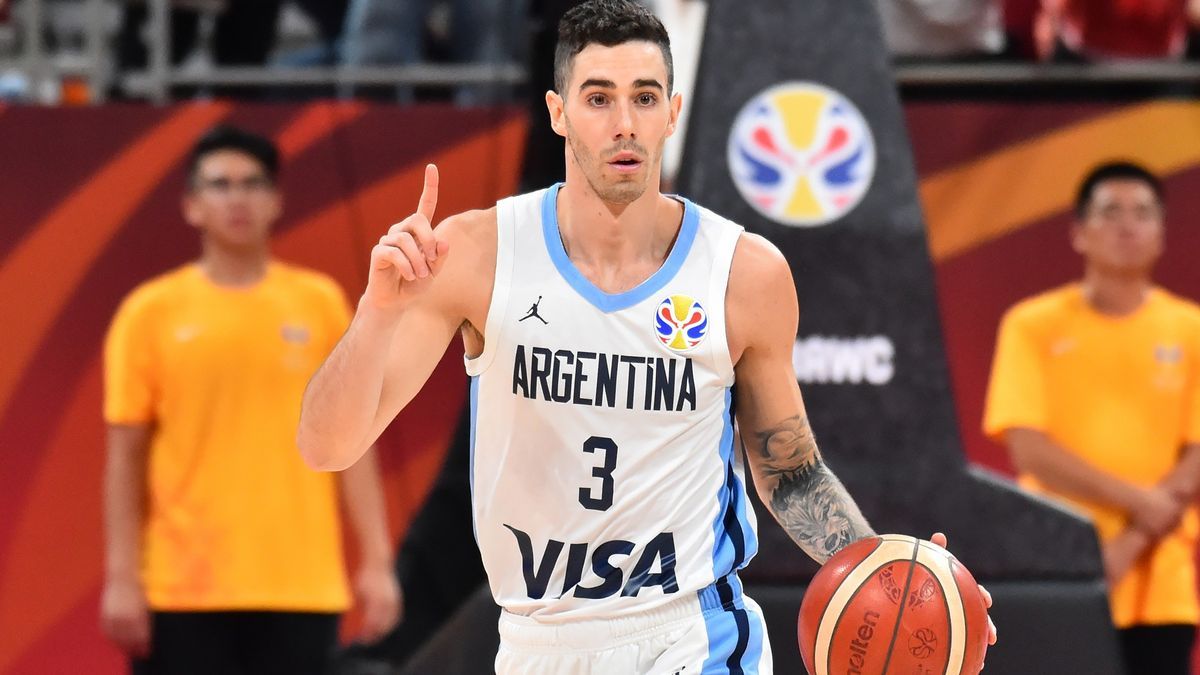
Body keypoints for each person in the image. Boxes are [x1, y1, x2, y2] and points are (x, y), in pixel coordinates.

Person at [299, 1, 994, 672]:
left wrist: (896, 580)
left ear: (673, 113)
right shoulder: (478, 253)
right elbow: (326, 445)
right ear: (558, 113)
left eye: (644, 97)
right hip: (536, 640)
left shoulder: (742, 273)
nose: (623, 123)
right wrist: (376, 310)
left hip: (689, 635)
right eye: (598, 98)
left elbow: (790, 471)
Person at [100, 126, 400, 675]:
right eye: (219, 185)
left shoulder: (321, 304)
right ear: (192, 206)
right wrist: (122, 578)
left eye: (252, 183)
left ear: (275, 201)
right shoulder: (148, 313)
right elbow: (125, 459)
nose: (237, 198)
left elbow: (352, 443)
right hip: (183, 588)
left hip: (301, 584)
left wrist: (378, 563)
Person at [984, 161, 1200, 675]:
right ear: (1079, 233)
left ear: (1161, 235)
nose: (1128, 225)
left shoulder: (1191, 328)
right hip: (1056, 569)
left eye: (1143, 213)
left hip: (1158, 582)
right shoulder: (1031, 324)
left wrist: (1130, 541)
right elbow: (1028, 448)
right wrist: (1141, 504)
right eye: (1111, 212)